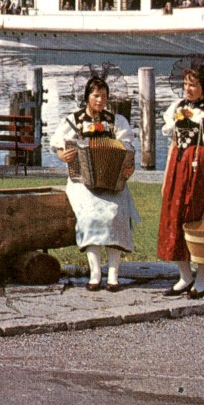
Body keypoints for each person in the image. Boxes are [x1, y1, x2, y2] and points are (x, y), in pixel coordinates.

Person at [50, 76, 139, 291]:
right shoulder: (73, 120)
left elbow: (128, 151)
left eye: (104, 96)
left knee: (116, 215)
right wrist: (64, 156)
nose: (100, 100)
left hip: (112, 181)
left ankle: (114, 274)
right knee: (89, 217)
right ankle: (95, 273)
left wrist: (129, 167)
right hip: (82, 182)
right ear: (87, 97)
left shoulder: (116, 121)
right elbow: (57, 145)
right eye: (96, 95)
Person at [157, 57, 204, 298]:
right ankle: (184, 275)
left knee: (200, 220)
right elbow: (172, 144)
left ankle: (201, 277)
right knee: (175, 219)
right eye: (186, 84)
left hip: (201, 170)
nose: (187, 89)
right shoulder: (177, 108)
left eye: (193, 84)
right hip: (179, 169)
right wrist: (167, 177)